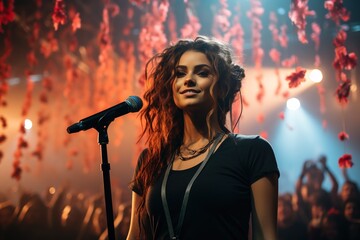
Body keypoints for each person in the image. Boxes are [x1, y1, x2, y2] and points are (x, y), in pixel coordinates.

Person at [126, 36, 279, 240]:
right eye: (180, 74)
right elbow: (136, 236)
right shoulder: (151, 159)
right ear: (172, 87)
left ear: (223, 87)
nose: (188, 79)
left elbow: (266, 236)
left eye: (202, 72)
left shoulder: (252, 151)